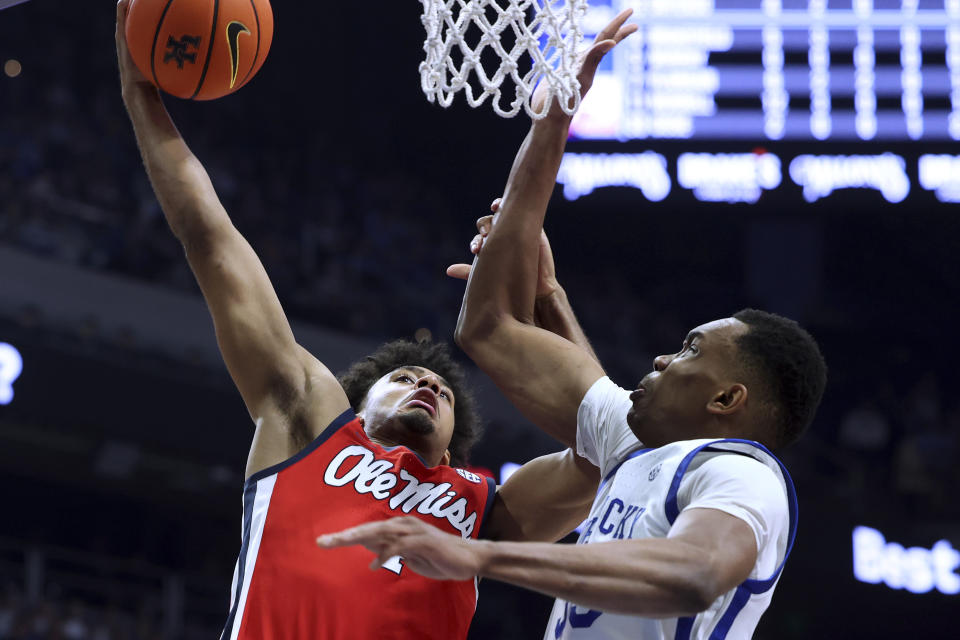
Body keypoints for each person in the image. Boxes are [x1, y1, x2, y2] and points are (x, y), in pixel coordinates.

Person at [114, 2, 637, 638]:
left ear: (452, 444)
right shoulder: (307, 422)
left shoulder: (478, 504)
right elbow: (210, 237)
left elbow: (608, 453)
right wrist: (142, 98)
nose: (430, 387)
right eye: (411, 377)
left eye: (442, 392)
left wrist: (550, 297)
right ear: (356, 403)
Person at [316, 14, 827, 640]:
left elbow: (695, 572)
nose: (664, 360)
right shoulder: (635, 449)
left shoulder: (740, 472)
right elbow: (490, 326)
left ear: (726, 400)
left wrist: (479, 555)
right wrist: (553, 122)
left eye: (691, 349)